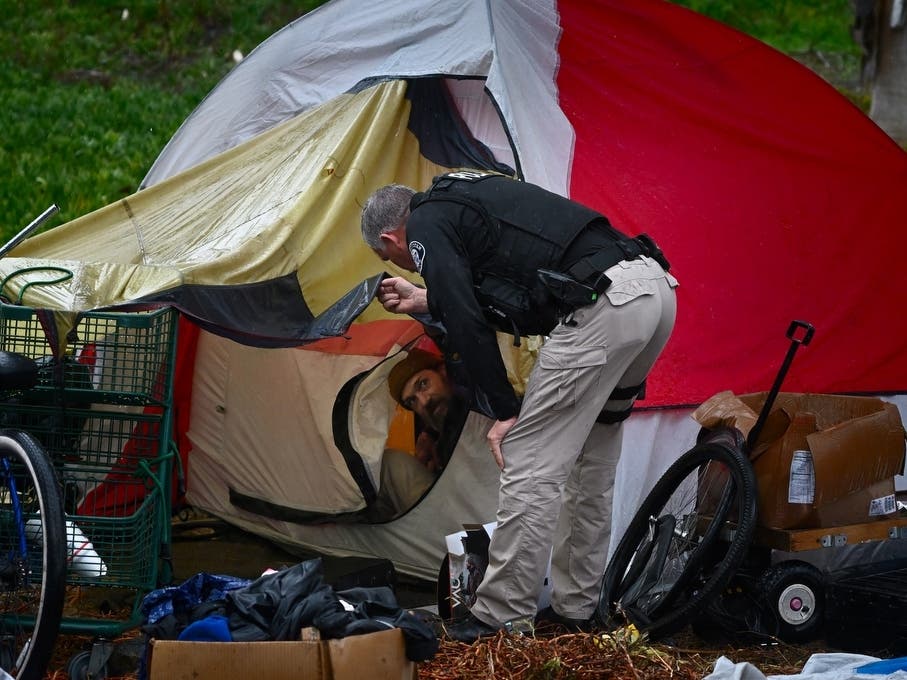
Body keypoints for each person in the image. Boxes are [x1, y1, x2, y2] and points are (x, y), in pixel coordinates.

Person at [360, 170, 678, 642]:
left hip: (601, 307)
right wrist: (429, 300)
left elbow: (468, 321)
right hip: (651, 293)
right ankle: (577, 610)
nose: (408, 267)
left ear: (391, 237)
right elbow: (510, 298)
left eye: (397, 260)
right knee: (592, 462)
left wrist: (504, 409)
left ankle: (496, 615)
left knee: (529, 461)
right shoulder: (464, 197)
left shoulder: (424, 223)